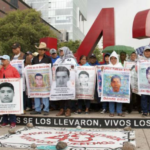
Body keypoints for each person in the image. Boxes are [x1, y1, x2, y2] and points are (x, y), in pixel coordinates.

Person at [54, 46, 77, 117]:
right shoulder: (58, 60)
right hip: (60, 81)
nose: (60, 52)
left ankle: (68, 110)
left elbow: (74, 68)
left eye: (62, 51)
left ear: (66, 51)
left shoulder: (71, 59)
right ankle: (61, 110)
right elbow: (54, 67)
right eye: (60, 51)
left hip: (68, 81)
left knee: (68, 96)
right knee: (61, 96)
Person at [30, 42, 52, 116]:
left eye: (42, 50)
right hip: (36, 79)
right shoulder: (34, 59)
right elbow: (32, 68)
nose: (40, 51)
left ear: (45, 50)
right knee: (36, 94)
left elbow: (50, 68)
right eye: (39, 49)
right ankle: (37, 109)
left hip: (45, 79)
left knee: (45, 94)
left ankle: (46, 109)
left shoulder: (48, 58)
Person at [0, 55, 20, 128]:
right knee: (3, 106)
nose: (2, 61)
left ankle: (13, 122)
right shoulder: (1, 69)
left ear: (8, 61)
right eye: (1, 60)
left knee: (11, 107)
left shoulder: (13, 69)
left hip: (10, 90)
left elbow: (18, 78)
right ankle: (5, 121)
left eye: (4, 60)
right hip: (2, 90)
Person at [107, 51, 124, 117]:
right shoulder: (107, 66)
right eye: (112, 58)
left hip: (118, 86)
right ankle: (112, 112)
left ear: (117, 59)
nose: (113, 60)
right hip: (111, 87)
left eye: (115, 58)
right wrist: (102, 70)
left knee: (119, 98)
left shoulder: (120, 66)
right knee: (111, 98)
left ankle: (119, 111)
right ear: (110, 59)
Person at [140, 46, 150, 116]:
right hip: (143, 83)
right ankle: (145, 111)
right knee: (144, 98)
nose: (147, 52)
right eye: (146, 51)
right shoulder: (140, 61)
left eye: (148, 51)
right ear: (144, 52)